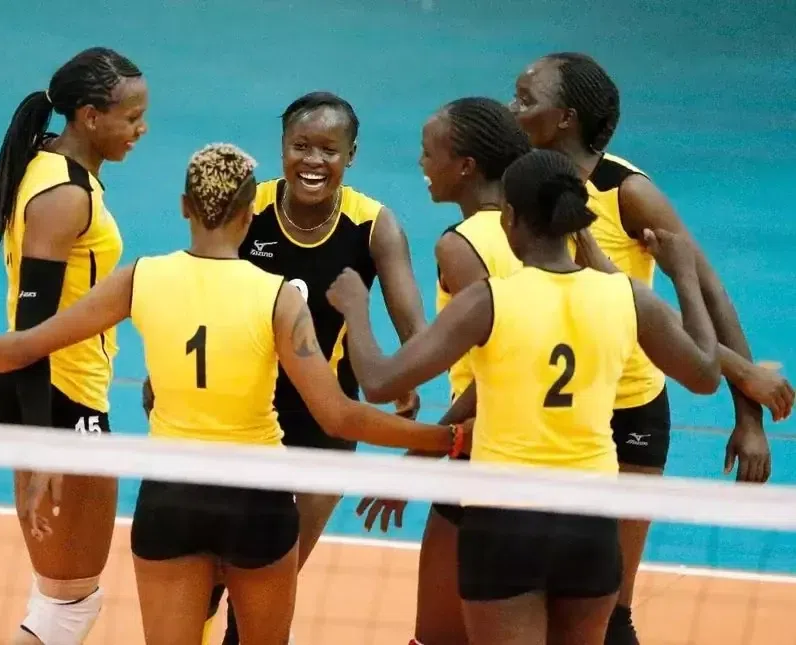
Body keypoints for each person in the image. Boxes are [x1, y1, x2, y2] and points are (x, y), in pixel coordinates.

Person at [0, 143, 468, 645]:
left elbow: (25, 346)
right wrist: (445, 437)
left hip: (172, 500)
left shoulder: (140, 278)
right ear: (247, 215)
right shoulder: (279, 298)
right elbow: (339, 417)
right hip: (257, 501)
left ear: (184, 206)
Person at [325, 148, 722, 645]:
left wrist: (356, 309)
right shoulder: (627, 297)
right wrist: (682, 273)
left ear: (510, 217)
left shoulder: (490, 301)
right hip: (591, 523)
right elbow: (705, 375)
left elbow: (381, 381)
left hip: (505, 524)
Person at [509, 51, 792, 643]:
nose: (514, 108)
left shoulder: (625, 190)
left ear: (565, 117)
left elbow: (704, 289)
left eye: (526, 98)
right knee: (539, 595)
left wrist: (750, 420)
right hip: (546, 414)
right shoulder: (521, 184)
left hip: (630, 405)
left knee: (612, 608)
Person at [143, 91, 429, 644]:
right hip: (238, 416)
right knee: (203, 586)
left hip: (324, 428)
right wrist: (167, 375)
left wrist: (404, 387)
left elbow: (416, 331)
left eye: (329, 149)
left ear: (352, 154)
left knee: (263, 597)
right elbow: (198, 288)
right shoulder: (250, 209)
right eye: (301, 146)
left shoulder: (373, 227)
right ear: (282, 148)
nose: (313, 161)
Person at [0, 47, 148, 645]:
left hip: (32, 392)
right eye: (131, 116)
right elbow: (34, 334)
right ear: (89, 116)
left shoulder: (44, 168)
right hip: (59, 398)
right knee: (70, 605)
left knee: (61, 595)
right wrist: (43, 454)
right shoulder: (67, 196)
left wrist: (20, 161)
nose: (142, 129)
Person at [355, 96, 530, 645]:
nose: (422, 164)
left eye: (430, 154)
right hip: (559, 454)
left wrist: (425, 451)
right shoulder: (545, 231)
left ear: (466, 166)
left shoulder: (462, 246)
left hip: (483, 451)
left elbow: (499, 371)